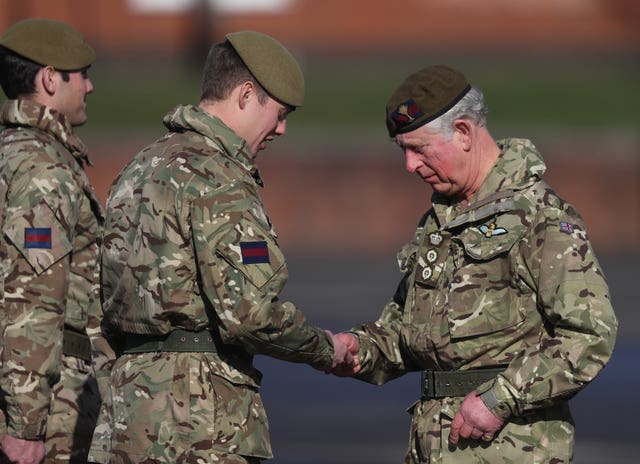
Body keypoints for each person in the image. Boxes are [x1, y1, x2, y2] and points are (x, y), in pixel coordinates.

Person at [88, 31, 356, 464]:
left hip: (125, 416)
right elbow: (249, 316)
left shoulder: (136, 169)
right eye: (280, 112)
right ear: (247, 95)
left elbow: (96, 307)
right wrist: (326, 349)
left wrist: (124, 391)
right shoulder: (220, 178)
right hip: (198, 423)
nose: (282, 129)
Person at [333, 65, 618, 463]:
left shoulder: (538, 215)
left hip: (510, 449)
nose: (410, 166)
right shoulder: (441, 222)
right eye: (404, 151)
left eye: (419, 149)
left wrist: (499, 399)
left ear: (464, 133)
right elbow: (410, 335)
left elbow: (590, 334)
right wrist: (357, 349)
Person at [0, 18, 108, 464]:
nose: (90, 86)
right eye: (80, 74)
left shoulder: (10, 152)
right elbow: (33, 297)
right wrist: (27, 425)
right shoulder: (45, 170)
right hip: (47, 403)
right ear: (49, 78)